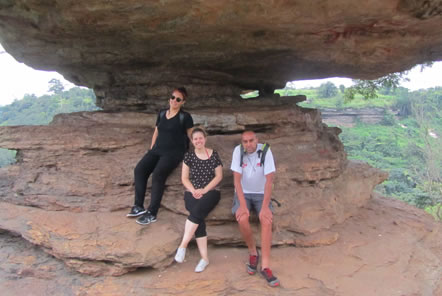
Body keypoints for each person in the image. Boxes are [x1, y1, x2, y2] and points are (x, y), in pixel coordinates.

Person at [127, 87, 194, 225]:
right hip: (157, 150)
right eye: (172, 97)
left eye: (178, 99)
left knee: (158, 175)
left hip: (174, 153)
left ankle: (152, 213)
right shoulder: (162, 113)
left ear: (183, 102)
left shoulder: (185, 117)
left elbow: (191, 135)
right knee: (139, 170)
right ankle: (138, 206)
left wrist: (198, 151)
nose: (174, 101)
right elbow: (156, 131)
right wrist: (152, 149)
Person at [230, 130, 280, 287]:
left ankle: (265, 266)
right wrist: (243, 205)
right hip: (243, 192)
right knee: (242, 218)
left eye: (251, 141)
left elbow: (269, 181)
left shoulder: (265, 151)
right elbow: (237, 181)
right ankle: (253, 252)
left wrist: (265, 207)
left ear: (256, 140)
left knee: (266, 220)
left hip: (260, 193)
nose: (248, 144)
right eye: (245, 141)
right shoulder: (238, 151)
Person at [174, 127, 223, 272]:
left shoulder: (214, 155)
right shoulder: (188, 156)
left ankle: (182, 246)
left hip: (211, 191)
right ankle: (205, 258)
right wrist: (193, 190)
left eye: (200, 138)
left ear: (205, 139)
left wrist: (204, 190)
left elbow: (219, 176)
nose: (198, 141)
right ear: (192, 141)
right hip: (191, 192)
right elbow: (184, 178)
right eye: (195, 139)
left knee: (196, 213)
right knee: (198, 217)